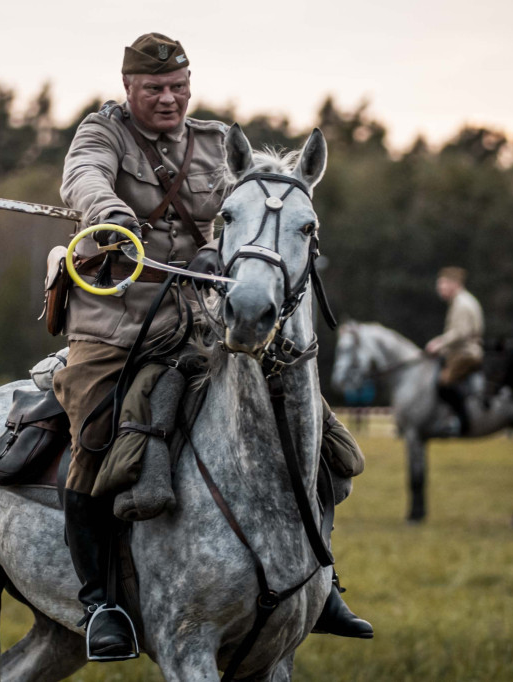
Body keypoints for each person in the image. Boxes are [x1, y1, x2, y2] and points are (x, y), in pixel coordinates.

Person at [53, 32, 371, 661]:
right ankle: (100, 604)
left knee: (317, 437)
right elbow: (82, 180)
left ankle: (318, 579)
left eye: (178, 87)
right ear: (129, 90)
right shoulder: (101, 135)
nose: (169, 99)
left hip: (205, 318)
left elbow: (248, 211)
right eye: (154, 89)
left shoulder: (217, 141)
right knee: (94, 433)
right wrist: (110, 214)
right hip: (118, 319)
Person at [425, 267, 484, 434]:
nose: (439, 289)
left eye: (443, 284)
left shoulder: (462, 304)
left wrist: (439, 343)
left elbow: (461, 333)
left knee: (443, 383)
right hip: (461, 352)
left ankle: (459, 421)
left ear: (455, 284)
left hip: (466, 354)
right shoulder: (462, 301)